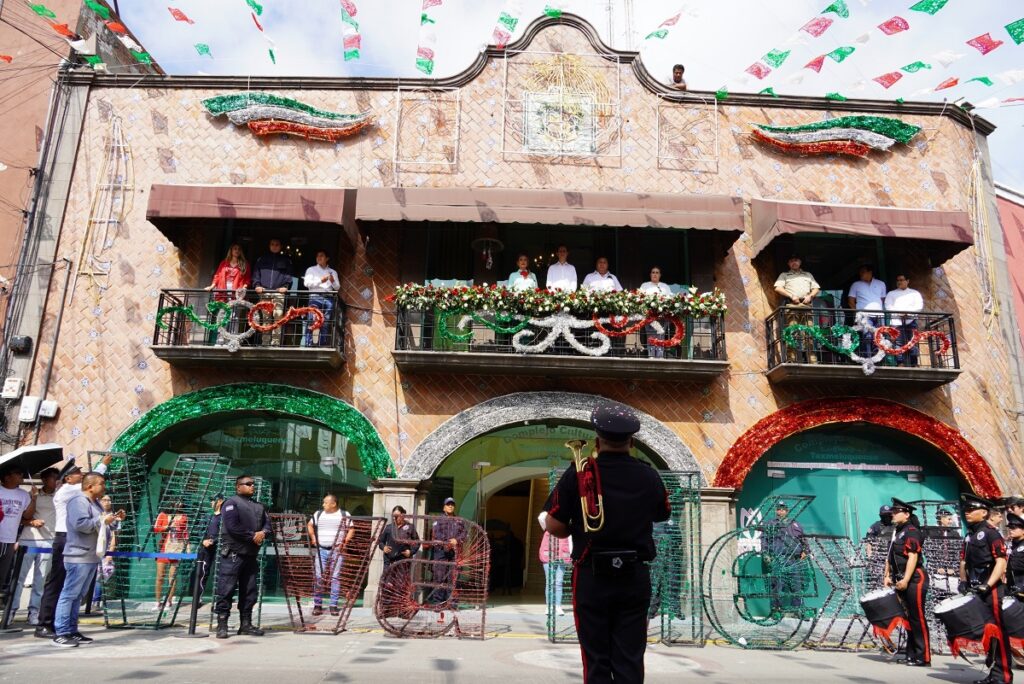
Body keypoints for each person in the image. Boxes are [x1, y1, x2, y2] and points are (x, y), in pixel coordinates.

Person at [542, 401, 671, 684]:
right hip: (635, 575)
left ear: (598, 440)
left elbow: (556, 526)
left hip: (592, 575)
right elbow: (662, 513)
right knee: (630, 657)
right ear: (632, 441)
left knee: (596, 658)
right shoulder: (648, 474)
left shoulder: (581, 473)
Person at [35, 455, 110, 639]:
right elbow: (91, 481)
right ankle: (47, 624)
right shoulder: (69, 491)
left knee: (75, 592)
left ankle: (68, 627)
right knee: (59, 585)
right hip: (67, 540)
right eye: (77, 473)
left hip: (82, 544)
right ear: (68, 479)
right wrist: (103, 465)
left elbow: (91, 483)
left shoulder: (86, 497)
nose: (80, 474)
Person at [53, 472, 124, 647]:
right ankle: (61, 632)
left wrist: (115, 520)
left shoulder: (96, 503)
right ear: (89, 486)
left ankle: (71, 630)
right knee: (69, 594)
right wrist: (103, 521)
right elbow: (81, 525)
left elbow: (102, 525)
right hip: (78, 555)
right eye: (101, 483)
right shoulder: (78, 501)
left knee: (78, 596)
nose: (104, 487)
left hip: (92, 555)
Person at [959, 493, 1013, 684]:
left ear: (983, 512)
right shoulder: (969, 534)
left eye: (971, 510)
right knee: (987, 633)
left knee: (998, 632)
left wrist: (988, 585)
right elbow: (964, 561)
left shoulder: (991, 533)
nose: (967, 513)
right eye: (966, 509)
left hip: (990, 590)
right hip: (975, 588)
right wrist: (963, 581)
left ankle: (1003, 676)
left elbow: (1000, 561)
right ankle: (993, 673)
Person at [214, 474, 271, 638]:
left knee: (250, 592)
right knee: (226, 590)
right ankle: (222, 624)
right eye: (248, 484)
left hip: (251, 555)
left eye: (253, 484)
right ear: (238, 487)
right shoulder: (231, 503)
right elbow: (232, 527)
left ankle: (246, 624)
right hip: (233, 554)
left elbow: (268, 526)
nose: (252, 486)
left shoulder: (259, 506)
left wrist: (263, 533)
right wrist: (253, 535)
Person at [883, 498, 930, 667]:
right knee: (908, 618)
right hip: (901, 578)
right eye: (893, 512)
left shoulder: (911, 531)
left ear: (907, 514)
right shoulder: (898, 531)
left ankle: (923, 656)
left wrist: (906, 579)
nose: (893, 514)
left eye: (897, 512)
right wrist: (887, 575)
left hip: (914, 578)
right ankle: (911, 653)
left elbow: (913, 556)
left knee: (917, 617)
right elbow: (890, 556)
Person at [13, 467, 58, 625]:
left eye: (57, 478)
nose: (56, 481)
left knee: (40, 580)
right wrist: (32, 521)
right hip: (29, 539)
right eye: (53, 478)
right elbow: (21, 518)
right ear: (45, 480)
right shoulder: (32, 494)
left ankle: (34, 612)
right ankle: (11, 611)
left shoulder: (60, 497)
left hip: (49, 541)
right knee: (19, 578)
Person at [306, 494, 353, 617]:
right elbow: (310, 525)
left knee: (335, 577)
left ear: (333, 504)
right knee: (318, 577)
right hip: (321, 550)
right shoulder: (318, 514)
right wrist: (313, 537)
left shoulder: (344, 514)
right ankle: (317, 605)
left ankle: (333, 606)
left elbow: (352, 529)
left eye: (325, 502)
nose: (323, 505)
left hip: (337, 550)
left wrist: (345, 542)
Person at [762, 500, 809, 618]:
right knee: (777, 585)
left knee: (797, 585)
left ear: (787, 511)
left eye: (783, 509)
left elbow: (803, 539)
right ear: (775, 510)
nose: (781, 511)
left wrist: (805, 550)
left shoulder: (795, 524)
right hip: (778, 559)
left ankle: (798, 609)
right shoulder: (770, 524)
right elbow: (764, 540)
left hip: (794, 560)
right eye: (778, 509)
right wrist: (766, 554)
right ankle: (777, 610)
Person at [774, 254, 821, 363]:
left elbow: (816, 288)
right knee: (792, 333)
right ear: (788, 263)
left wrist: (810, 296)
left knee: (809, 333)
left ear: (800, 262)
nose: (794, 262)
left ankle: (812, 359)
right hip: (792, 306)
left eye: (796, 260)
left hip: (806, 306)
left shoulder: (807, 275)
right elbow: (778, 288)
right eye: (791, 261)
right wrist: (791, 296)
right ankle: (792, 358)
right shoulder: (785, 275)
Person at [378, 505, 421, 618]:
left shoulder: (410, 527)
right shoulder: (388, 527)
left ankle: (403, 611)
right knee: (387, 584)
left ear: (403, 515)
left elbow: (417, 542)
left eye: (397, 515)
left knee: (402, 585)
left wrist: (410, 552)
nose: (395, 518)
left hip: (403, 561)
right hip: (390, 561)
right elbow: (380, 541)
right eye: (394, 516)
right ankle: (386, 611)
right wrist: (384, 548)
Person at [0, 464, 32, 613]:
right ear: (7, 477)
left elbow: (27, 516)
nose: (21, 475)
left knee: (3, 575)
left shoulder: (23, 495)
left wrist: (35, 497)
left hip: (10, 539)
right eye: (17, 473)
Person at [204, 244, 251, 342]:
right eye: (235, 249)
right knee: (223, 314)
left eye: (239, 249)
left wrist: (243, 288)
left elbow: (247, 279)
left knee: (235, 316)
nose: (237, 251)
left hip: (237, 291)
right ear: (231, 250)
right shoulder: (224, 263)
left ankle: (233, 338)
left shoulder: (244, 264)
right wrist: (212, 286)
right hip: (223, 289)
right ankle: (221, 338)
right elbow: (217, 276)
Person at [427, 497, 466, 614]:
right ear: (444, 507)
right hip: (441, 552)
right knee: (439, 577)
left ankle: (453, 603)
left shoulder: (459, 520)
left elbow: (465, 534)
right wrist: (448, 541)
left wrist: (457, 540)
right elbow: (436, 534)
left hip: (455, 552)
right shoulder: (438, 520)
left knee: (454, 577)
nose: (450, 506)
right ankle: (439, 603)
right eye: (448, 504)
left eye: (452, 505)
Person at [251, 238, 293, 346]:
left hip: (278, 292)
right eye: (272, 244)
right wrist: (257, 285)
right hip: (264, 291)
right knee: (266, 318)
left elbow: (288, 276)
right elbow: (256, 274)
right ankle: (265, 343)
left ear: (280, 246)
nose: (274, 246)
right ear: (269, 246)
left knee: (278, 315)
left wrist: (286, 286)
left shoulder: (286, 260)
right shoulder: (262, 259)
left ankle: (275, 343)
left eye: (277, 244)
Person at [884, 273, 924, 366]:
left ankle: (914, 363)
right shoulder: (891, 293)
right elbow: (888, 306)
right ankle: (900, 362)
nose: (899, 282)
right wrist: (899, 313)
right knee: (898, 343)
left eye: (901, 280)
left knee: (912, 341)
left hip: (911, 321)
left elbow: (919, 306)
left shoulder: (915, 293)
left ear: (908, 281)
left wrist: (908, 313)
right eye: (898, 280)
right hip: (896, 321)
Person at [153, 502, 188, 605]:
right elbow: (155, 528)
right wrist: (166, 527)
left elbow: (185, 533)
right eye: (177, 503)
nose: (179, 505)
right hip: (163, 549)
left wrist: (187, 546)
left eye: (181, 503)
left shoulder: (183, 517)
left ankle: (169, 600)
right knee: (160, 576)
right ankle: (157, 602)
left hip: (176, 549)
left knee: (172, 577)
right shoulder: (163, 515)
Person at [302, 250, 340, 348]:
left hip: (328, 298)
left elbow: (337, 287)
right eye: (317, 256)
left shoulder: (332, 272)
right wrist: (320, 280)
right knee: (312, 319)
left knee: (326, 321)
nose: (319, 257)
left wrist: (332, 280)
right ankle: (309, 343)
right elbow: (306, 284)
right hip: (315, 296)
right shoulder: (311, 269)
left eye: (322, 256)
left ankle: (322, 343)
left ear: (327, 258)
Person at [848, 264, 886, 356]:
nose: (860, 274)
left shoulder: (881, 283)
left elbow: (883, 300)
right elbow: (850, 301)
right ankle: (868, 358)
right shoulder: (856, 285)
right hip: (864, 316)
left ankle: (878, 359)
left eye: (863, 272)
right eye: (860, 272)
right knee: (867, 337)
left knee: (879, 337)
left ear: (870, 272)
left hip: (879, 315)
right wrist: (858, 313)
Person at [191, 496, 223, 604]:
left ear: (219, 502)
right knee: (203, 572)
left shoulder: (224, 517)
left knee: (221, 573)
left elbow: (225, 533)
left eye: (213, 501)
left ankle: (221, 598)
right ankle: (198, 597)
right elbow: (200, 530)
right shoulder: (207, 516)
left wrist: (214, 540)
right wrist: (203, 540)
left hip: (220, 549)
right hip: (206, 548)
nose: (211, 503)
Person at [537, 519, 571, 617]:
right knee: (550, 582)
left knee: (559, 582)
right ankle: (549, 606)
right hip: (548, 556)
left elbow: (570, 541)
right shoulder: (547, 523)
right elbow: (541, 517)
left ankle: (558, 606)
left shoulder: (566, 526)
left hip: (562, 557)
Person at [640, 266, 673, 358]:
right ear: (650, 275)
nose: (655, 274)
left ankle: (660, 356)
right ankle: (651, 356)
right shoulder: (645, 285)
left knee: (661, 334)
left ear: (660, 275)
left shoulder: (664, 286)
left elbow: (671, 299)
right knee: (650, 335)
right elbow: (640, 298)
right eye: (653, 272)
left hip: (662, 315)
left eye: (657, 272)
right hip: (649, 315)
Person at [1005, 512, 1024, 598]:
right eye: (1010, 528)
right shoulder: (1011, 545)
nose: (1010, 530)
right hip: (1012, 587)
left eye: (1014, 528)